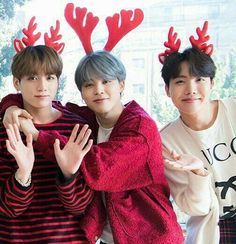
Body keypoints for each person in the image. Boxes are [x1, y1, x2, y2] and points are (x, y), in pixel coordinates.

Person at [0, 50, 184, 244]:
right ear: (81, 92)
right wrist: (10, 107)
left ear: (122, 84)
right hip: (107, 237)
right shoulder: (88, 120)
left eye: (106, 81)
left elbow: (98, 168)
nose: (99, 90)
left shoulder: (139, 128)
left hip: (149, 236)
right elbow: (41, 102)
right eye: (89, 84)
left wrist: (36, 135)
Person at [0, 45, 94, 243]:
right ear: (17, 82)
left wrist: (68, 175)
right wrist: (23, 174)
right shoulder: (5, 130)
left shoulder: (78, 127)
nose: (42, 86)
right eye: (33, 77)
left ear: (58, 81)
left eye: (50, 77)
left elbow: (79, 207)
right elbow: (8, 209)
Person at [160, 45, 236, 244]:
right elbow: (196, 209)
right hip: (215, 230)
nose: (191, 90)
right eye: (180, 81)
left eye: (199, 79)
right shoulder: (166, 141)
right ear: (167, 90)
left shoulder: (233, 111)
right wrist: (198, 173)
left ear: (212, 83)